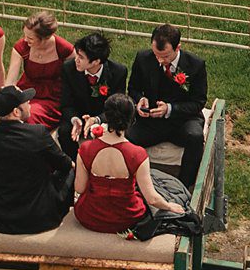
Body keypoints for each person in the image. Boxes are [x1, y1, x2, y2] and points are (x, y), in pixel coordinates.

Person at [0, 85, 75, 237]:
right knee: (71, 169)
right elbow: (65, 165)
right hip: (39, 216)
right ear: (16, 112)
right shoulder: (38, 133)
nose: (30, 103)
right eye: (26, 102)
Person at [70, 97, 190, 235]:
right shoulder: (137, 154)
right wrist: (169, 206)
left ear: (106, 117)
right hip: (126, 218)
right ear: (131, 120)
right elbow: (152, 198)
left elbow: (79, 188)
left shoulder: (85, 149)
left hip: (90, 216)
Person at [128, 23, 210, 185]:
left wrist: (170, 109)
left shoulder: (195, 65)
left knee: (195, 137)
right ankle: (135, 183)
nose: (160, 60)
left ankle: (185, 185)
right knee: (127, 137)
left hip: (182, 120)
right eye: (156, 54)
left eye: (165, 56)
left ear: (177, 47)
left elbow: (198, 102)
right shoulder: (143, 58)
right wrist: (139, 100)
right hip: (152, 121)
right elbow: (133, 88)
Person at [4, 11, 77, 128]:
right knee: (10, 116)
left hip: (52, 97)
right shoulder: (21, 47)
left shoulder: (64, 50)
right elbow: (10, 81)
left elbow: (75, 79)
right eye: (24, 35)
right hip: (26, 93)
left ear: (45, 38)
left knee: (28, 118)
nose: (25, 40)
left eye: (30, 38)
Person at [64, 30, 127, 130]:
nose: (76, 60)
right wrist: (74, 119)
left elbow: (117, 107)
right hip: (78, 116)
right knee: (64, 131)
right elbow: (66, 103)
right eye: (77, 54)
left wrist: (97, 119)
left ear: (96, 62)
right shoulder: (68, 68)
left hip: (104, 119)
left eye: (81, 57)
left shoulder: (118, 72)